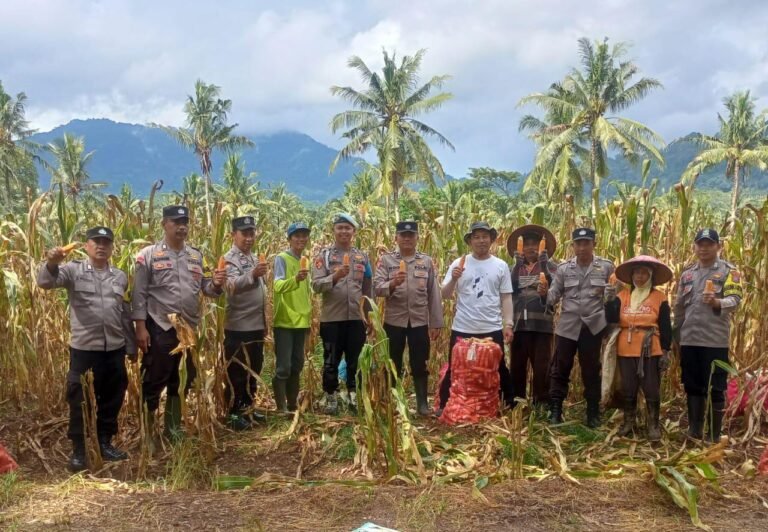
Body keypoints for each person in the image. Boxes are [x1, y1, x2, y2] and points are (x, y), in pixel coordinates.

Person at [37, 226, 135, 472]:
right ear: (87, 245)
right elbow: (45, 283)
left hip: (114, 349)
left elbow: (124, 314)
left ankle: (104, 442)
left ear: (112, 247)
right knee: (80, 400)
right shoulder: (72, 271)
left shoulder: (119, 276)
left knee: (112, 397)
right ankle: (79, 450)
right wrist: (51, 263)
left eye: (106, 242)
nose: (101, 246)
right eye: (96, 241)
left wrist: (131, 346)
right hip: (84, 349)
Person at [132, 205, 226, 439]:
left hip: (189, 329)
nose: (182, 226)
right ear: (164, 224)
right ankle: (148, 431)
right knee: (155, 378)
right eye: (176, 222)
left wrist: (215, 283)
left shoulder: (195, 256)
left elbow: (205, 288)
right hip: (160, 327)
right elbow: (139, 294)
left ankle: (172, 429)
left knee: (183, 379)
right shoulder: (148, 255)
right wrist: (141, 328)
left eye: (185, 222)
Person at [438, 221, 515, 414]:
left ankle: (509, 403)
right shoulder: (459, 264)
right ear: (470, 241)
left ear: (491, 240)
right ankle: (444, 404)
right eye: (477, 237)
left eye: (485, 237)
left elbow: (506, 297)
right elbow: (444, 294)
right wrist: (454, 278)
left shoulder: (500, 265)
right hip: (463, 326)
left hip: (491, 327)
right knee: (454, 367)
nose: (481, 241)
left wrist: (508, 324)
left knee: (498, 366)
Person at [674, 228, 742, 442]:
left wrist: (717, 302)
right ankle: (694, 431)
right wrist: (676, 335)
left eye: (709, 244)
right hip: (690, 339)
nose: (704, 248)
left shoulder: (730, 271)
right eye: (700, 244)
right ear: (694, 247)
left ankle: (713, 435)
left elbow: (736, 300)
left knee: (715, 387)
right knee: (693, 385)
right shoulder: (687, 274)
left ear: (718, 246)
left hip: (714, 341)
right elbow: (679, 307)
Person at [543, 227, 614, 428]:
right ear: (573, 245)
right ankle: (556, 409)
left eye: (586, 243)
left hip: (593, 326)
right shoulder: (564, 269)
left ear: (594, 244)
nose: (582, 247)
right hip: (568, 326)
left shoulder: (607, 267)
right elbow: (553, 295)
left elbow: (614, 297)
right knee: (560, 368)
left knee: (591, 369)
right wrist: (543, 294)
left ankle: (592, 411)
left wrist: (612, 297)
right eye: (578, 244)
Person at [374, 221, 443, 416]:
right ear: (396, 238)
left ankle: (422, 405)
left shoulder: (426, 262)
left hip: (419, 321)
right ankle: (393, 403)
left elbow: (434, 293)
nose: (406, 238)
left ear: (417, 238)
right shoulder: (386, 261)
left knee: (420, 363)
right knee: (392, 362)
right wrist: (393, 283)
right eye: (403, 235)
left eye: (411, 235)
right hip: (394, 321)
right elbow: (377, 288)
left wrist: (436, 323)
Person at [605, 255, 673, 441]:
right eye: (637, 272)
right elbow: (611, 319)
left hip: (650, 347)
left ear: (650, 275)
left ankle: (653, 425)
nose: (640, 277)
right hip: (625, 347)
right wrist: (609, 301)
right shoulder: (622, 296)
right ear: (632, 275)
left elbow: (666, 326)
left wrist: (666, 351)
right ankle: (629, 422)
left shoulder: (659, 298)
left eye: (644, 273)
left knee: (651, 388)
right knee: (628, 387)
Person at [311, 213, 372, 415]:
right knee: (331, 360)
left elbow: (367, 288)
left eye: (348, 228)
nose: (344, 231)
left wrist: (369, 314)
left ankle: (354, 396)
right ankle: (331, 397)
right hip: (332, 319)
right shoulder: (324, 256)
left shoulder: (362, 257)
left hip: (356, 318)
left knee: (356, 360)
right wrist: (335, 276)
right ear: (333, 230)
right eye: (340, 227)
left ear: (354, 231)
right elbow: (316, 286)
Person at [221, 216, 268, 430]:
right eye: (244, 234)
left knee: (253, 369)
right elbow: (230, 285)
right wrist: (252, 275)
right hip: (238, 327)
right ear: (233, 235)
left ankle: (248, 407)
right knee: (237, 373)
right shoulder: (229, 260)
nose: (249, 238)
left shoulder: (253, 258)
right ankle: (233, 412)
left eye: (251, 233)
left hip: (256, 326)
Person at [507, 224, 558, 410]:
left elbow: (554, 290)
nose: (530, 248)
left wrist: (543, 265)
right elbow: (509, 289)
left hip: (542, 325)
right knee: (518, 366)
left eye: (534, 244)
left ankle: (541, 402)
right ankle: (517, 402)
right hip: (519, 324)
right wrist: (516, 266)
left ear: (541, 246)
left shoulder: (552, 266)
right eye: (526, 244)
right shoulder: (515, 268)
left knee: (542, 366)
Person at [272, 222, 313, 413]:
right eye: (297, 236)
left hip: (301, 321)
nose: (301, 239)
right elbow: (277, 286)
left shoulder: (305, 261)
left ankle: (292, 404)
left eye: (304, 236)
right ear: (289, 239)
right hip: (285, 321)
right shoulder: (282, 258)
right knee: (284, 367)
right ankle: (281, 407)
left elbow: (305, 294)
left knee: (297, 365)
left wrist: (308, 317)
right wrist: (295, 279)